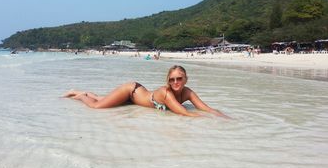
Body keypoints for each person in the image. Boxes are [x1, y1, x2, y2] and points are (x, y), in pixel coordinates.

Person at [63, 65, 230, 118]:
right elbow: (184, 113)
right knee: (97, 106)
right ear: (168, 81)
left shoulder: (188, 92)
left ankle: (75, 91)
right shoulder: (166, 93)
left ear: (185, 79)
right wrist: (207, 120)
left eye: (179, 78)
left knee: (102, 98)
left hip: (137, 96)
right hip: (132, 91)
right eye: (172, 79)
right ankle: (81, 96)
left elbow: (206, 108)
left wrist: (222, 116)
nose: (176, 82)